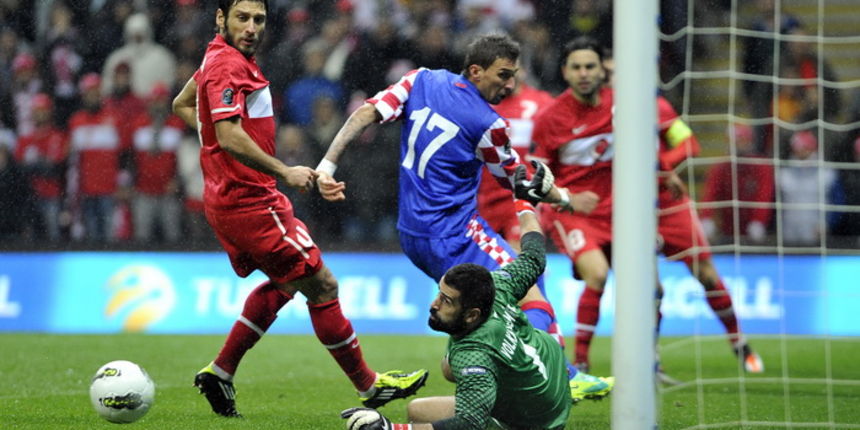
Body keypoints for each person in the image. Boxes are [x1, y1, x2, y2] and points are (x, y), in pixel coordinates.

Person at [315, 33, 610, 401]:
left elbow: (364, 113)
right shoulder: (488, 123)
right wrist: (563, 196)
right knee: (530, 280)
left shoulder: (420, 79)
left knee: (487, 311)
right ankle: (562, 375)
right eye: (503, 75)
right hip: (455, 234)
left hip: (411, 234)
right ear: (476, 70)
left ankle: (483, 372)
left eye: (513, 75)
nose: (510, 84)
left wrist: (326, 165)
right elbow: (518, 180)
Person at [171, 0, 428, 418]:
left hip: (231, 197)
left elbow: (184, 105)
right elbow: (229, 134)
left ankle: (221, 371)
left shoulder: (219, 59)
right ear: (221, 18)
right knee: (322, 285)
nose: (252, 27)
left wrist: (217, 151)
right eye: (242, 18)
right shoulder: (227, 65)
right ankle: (369, 385)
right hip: (251, 200)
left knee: (290, 281)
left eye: (258, 19)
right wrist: (282, 170)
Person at [340, 166, 583, 430]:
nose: (434, 305)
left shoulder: (473, 353)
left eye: (447, 301)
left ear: (472, 315)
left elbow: (470, 422)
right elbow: (534, 256)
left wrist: (391, 428)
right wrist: (525, 203)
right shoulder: (497, 284)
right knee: (429, 391)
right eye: (440, 294)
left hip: (537, 421)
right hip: (551, 376)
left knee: (421, 413)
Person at [700, 123, 774, 244]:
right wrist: (706, 219)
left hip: (758, 232)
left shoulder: (761, 166)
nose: (733, 145)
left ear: (747, 141)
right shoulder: (721, 167)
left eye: (738, 141)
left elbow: (764, 196)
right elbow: (710, 194)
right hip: (728, 232)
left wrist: (758, 221)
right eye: (731, 141)